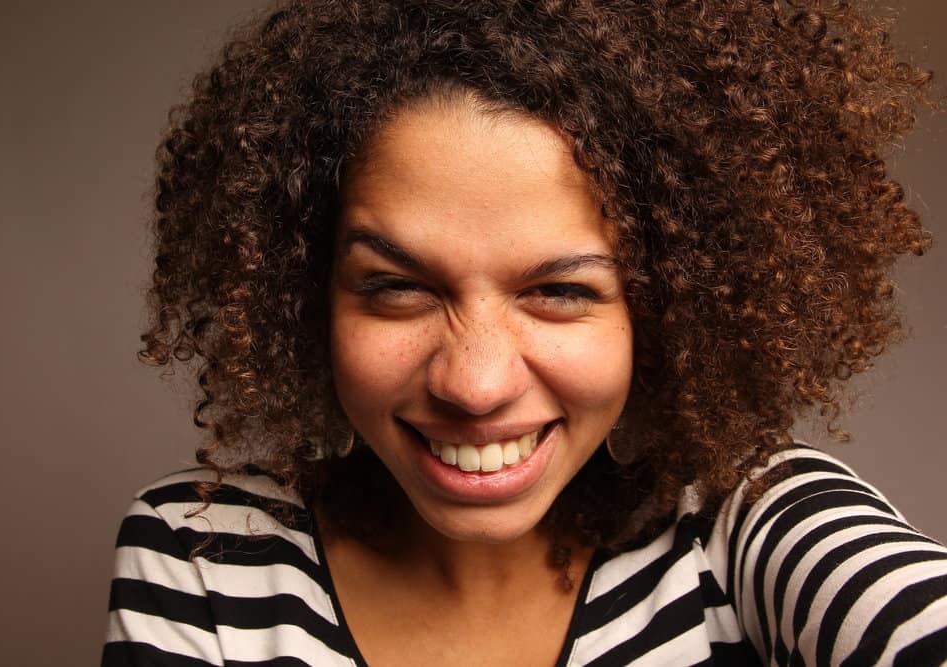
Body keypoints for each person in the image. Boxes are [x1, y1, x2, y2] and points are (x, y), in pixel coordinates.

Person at [102, 1, 947, 665]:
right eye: (397, 287)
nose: (473, 384)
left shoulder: (749, 521)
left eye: (560, 290)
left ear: (667, 307)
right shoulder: (202, 552)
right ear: (305, 292)